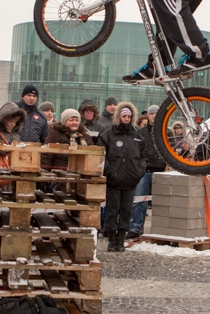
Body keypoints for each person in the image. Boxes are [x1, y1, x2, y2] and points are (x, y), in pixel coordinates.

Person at [99, 102, 146, 252]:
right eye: (124, 116)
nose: (126, 119)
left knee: (126, 211)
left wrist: (138, 173)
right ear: (118, 117)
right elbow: (101, 156)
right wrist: (110, 173)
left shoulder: (137, 136)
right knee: (112, 211)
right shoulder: (108, 134)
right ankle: (112, 241)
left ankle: (121, 241)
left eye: (129, 116)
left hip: (130, 181)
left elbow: (143, 158)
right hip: (114, 181)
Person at [129, 105, 167, 239]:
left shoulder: (165, 132)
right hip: (144, 171)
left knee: (162, 202)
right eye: (151, 114)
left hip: (161, 171)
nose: (154, 116)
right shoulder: (141, 132)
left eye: (156, 114)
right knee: (138, 200)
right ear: (148, 116)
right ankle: (135, 227)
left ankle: (162, 228)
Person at [43, 109, 92, 173]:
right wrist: (44, 173)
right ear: (64, 122)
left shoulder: (86, 137)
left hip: (81, 174)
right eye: (71, 120)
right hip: (58, 174)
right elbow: (46, 156)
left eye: (77, 120)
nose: (74, 122)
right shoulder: (55, 134)